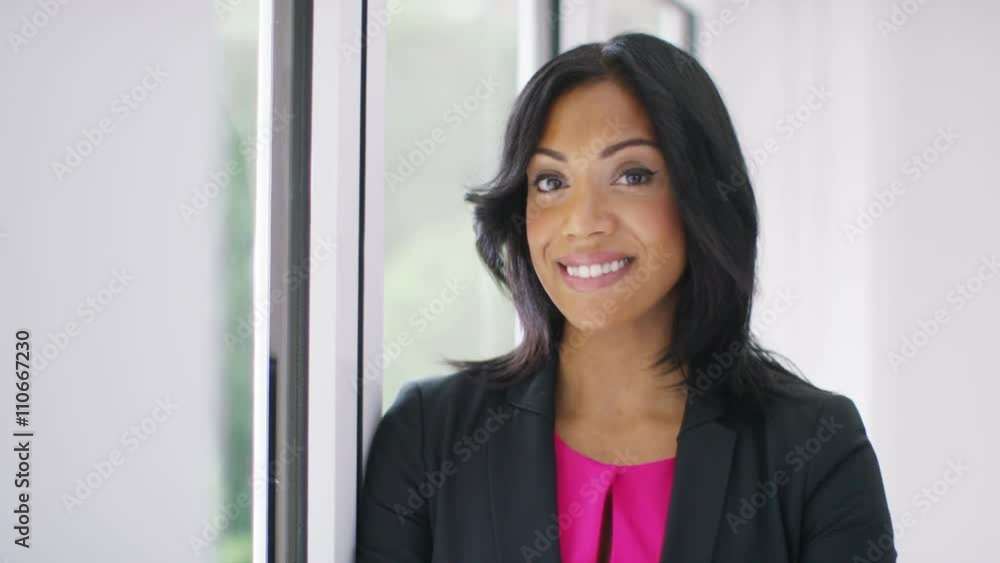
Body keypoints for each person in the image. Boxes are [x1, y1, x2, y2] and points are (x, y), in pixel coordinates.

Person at [356, 32, 895, 563]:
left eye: (632, 175)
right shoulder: (431, 435)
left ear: (699, 195)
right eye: (550, 182)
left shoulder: (815, 447)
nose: (584, 223)